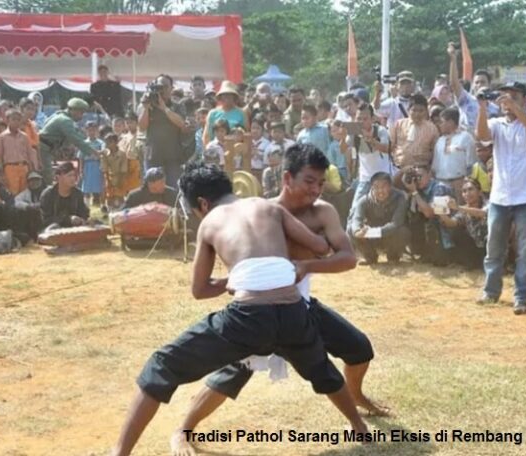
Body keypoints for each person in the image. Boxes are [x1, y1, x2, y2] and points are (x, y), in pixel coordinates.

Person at [110, 162, 368, 456]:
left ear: (202, 204)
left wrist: (234, 277)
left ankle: (119, 453)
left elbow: (200, 290)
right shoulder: (267, 206)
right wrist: (283, 260)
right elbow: (322, 247)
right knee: (320, 368)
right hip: (293, 309)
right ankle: (359, 427)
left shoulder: (209, 222)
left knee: (160, 366)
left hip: (248, 316)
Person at [167, 145, 387, 455]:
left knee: (358, 349)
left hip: (301, 305)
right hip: (256, 310)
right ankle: (183, 429)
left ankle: (357, 403)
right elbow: (229, 267)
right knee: (234, 373)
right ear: (287, 177)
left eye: (321, 183)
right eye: (309, 181)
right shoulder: (260, 211)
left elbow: (348, 258)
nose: (316, 189)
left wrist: (306, 266)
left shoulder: (323, 212)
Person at [475, 82, 526, 314]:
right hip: (500, 196)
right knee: (493, 247)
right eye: (506, 97)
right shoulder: (496, 124)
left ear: (525, 100)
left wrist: (515, 107)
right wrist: (483, 107)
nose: (507, 101)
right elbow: (482, 136)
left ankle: (522, 296)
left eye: (514, 96)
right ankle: (490, 291)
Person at [349, 171, 409, 264]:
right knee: (351, 229)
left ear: (390, 186)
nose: (380, 191)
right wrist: (358, 232)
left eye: (384, 186)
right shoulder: (364, 201)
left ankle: (393, 257)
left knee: (403, 231)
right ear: (371, 187)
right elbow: (356, 220)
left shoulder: (400, 198)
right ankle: (370, 257)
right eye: (376, 187)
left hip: (390, 235)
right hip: (371, 237)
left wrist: (376, 232)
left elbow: (396, 223)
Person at [138, 75, 187, 187]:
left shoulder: (178, 106)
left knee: (174, 190)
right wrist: (145, 108)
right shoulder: (148, 105)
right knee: (152, 189)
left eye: (165, 86)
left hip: (173, 156)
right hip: (153, 155)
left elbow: (181, 124)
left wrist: (164, 108)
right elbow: (142, 127)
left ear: (171, 88)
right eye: (160, 86)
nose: (162, 90)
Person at [39, 98, 98, 185]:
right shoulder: (65, 121)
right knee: (48, 177)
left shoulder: (58, 115)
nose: (82, 116)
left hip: (46, 149)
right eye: (81, 113)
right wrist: (93, 152)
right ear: (73, 110)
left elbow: (78, 136)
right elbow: (76, 139)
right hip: (43, 150)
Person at [403, 165, 454, 265]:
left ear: (429, 174)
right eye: (415, 178)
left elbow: (429, 214)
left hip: (447, 232)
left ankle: (440, 253)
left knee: (440, 262)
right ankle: (422, 252)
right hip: (435, 231)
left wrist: (414, 192)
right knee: (412, 217)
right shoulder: (420, 189)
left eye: (420, 176)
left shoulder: (440, 188)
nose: (417, 180)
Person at [438, 177, 488, 269]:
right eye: (464, 191)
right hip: (476, 249)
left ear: (480, 192)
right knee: (456, 233)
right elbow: (451, 223)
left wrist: (457, 207)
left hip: (490, 248)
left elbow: (481, 213)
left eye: (470, 189)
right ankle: (470, 263)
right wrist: (441, 212)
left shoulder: (488, 203)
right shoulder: (463, 209)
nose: (467, 194)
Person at [431, 106, 476, 200]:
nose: (439, 125)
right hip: (441, 183)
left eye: (442, 122)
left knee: (461, 210)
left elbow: (471, 162)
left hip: (459, 182)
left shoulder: (465, 137)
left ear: (450, 122)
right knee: (442, 211)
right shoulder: (439, 141)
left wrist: (466, 181)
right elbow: (434, 166)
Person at [389, 93, 439, 174]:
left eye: (421, 110)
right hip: (398, 169)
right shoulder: (398, 124)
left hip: (421, 171)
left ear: (426, 111)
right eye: (414, 110)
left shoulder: (432, 128)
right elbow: (390, 146)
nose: (417, 114)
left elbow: (435, 152)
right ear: (408, 110)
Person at [0, 109, 39, 195]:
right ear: (7, 120)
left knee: (24, 193)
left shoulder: (24, 136)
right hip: (10, 168)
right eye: (13, 119)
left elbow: (30, 154)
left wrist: (32, 169)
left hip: (24, 168)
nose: (16, 122)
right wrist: (2, 173)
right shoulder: (2, 137)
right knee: (12, 193)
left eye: (18, 119)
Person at [39, 162, 91, 231]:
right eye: (69, 175)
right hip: (51, 231)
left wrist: (83, 219)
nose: (73, 178)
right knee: (54, 227)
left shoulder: (78, 193)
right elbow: (45, 220)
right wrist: (68, 219)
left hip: (74, 230)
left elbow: (83, 213)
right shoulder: (48, 194)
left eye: (74, 175)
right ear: (58, 177)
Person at [202, 81, 246, 146]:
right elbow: (207, 136)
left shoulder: (241, 113)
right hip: (216, 149)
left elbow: (246, 135)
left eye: (229, 94)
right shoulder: (213, 113)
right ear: (220, 97)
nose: (226, 97)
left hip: (235, 149)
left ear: (234, 96)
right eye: (224, 95)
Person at [13, 170, 46, 242]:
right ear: (28, 183)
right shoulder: (25, 193)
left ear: (41, 180)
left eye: (37, 180)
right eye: (32, 180)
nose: (35, 182)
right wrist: (28, 206)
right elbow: (16, 201)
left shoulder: (48, 191)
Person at [101, 133, 129, 211]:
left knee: (120, 195)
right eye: (106, 142)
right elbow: (104, 168)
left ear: (115, 142)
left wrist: (120, 181)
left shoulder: (122, 154)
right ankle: (110, 211)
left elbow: (124, 169)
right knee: (110, 195)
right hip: (109, 177)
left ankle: (121, 211)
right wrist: (107, 180)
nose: (107, 145)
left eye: (109, 142)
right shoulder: (105, 153)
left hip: (120, 177)